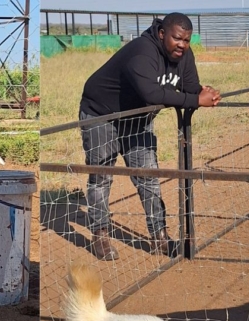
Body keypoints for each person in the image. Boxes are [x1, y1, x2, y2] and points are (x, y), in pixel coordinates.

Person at [77, 13, 220, 260]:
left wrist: (201, 91)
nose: (182, 45)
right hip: (102, 115)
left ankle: (159, 237)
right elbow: (152, 93)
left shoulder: (183, 55)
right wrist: (197, 100)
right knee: (101, 177)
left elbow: (188, 85)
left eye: (186, 40)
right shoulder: (142, 53)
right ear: (162, 34)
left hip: (136, 120)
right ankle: (100, 235)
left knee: (149, 178)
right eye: (177, 38)